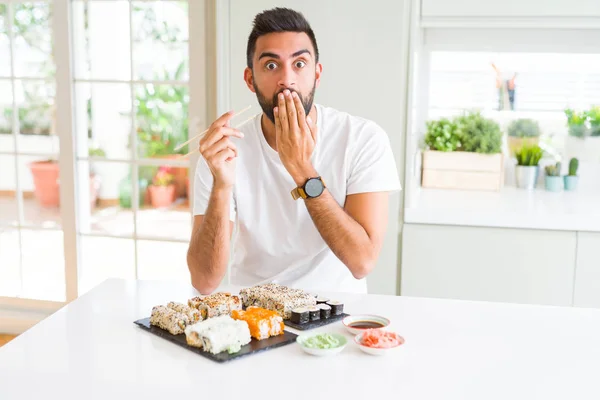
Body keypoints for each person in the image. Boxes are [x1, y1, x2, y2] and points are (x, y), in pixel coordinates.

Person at [187, 7, 401, 295]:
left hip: (336, 312)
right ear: (250, 80)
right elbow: (204, 281)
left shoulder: (364, 139)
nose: (287, 80)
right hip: (255, 313)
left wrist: (301, 169)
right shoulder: (223, 153)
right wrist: (222, 187)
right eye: (271, 66)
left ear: (317, 73)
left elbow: (362, 262)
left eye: (299, 64)